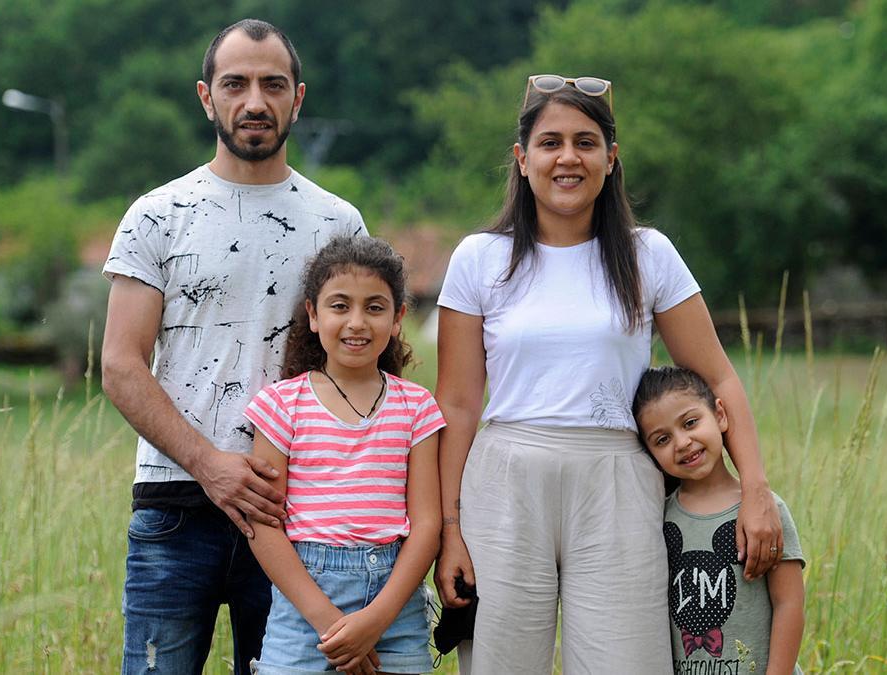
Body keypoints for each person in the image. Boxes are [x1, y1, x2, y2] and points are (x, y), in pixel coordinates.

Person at [434, 74, 785, 673]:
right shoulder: (479, 259)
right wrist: (449, 528)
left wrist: (755, 491)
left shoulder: (649, 255)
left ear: (611, 158)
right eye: (550, 143)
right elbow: (458, 405)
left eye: (586, 141)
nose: (568, 157)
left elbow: (720, 380)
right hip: (506, 480)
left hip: (618, 480)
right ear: (522, 160)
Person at [100, 19, 366, 674]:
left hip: (299, 515)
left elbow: (364, 373)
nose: (255, 101)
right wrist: (210, 463)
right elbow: (120, 364)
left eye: (273, 85)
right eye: (235, 84)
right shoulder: (158, 214)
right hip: (174, 507)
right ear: (205, 96)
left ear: (297, 98)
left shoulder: (339, 224)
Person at [244, 236, 442, 675]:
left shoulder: (417, 408)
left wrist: (376, 620)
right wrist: (330, 623)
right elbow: (263, 523)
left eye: (375, 307)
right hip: (304, 613)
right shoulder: (281, 405)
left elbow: (426, 523)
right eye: (339, 306)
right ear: (313, 315)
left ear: (397, 319)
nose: (357, 322)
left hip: (396, 609)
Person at [634, 367, 806, 675]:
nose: (683, 442)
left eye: (690, 423)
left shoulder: (763, 512)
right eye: (662, 439)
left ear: (720, 415)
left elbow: (789, 604)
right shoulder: (657, 519)